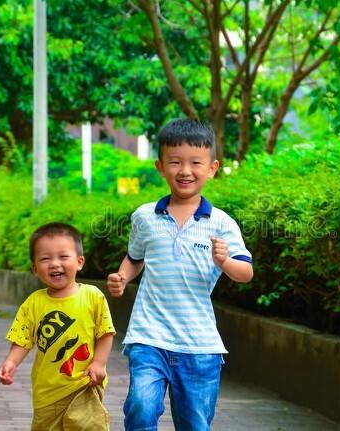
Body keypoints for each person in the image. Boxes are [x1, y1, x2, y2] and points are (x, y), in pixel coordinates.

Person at [107, 118, 254, 430]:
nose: (185, 171)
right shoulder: (145, 216)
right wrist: (122, 277)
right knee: (140, 407)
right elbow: (135, 258)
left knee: (195, 425)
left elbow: (245, 272)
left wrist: (225, 261)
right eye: (175, 162)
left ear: (212, 168)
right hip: (148, 336)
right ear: (161, 167)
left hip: (199, 346)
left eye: (195, 163)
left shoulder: (222, 223)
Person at [0, 222, 116, 431]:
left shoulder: (92, 296)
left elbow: (105, 332)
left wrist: (99, 363)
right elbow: (23, 339)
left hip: (84, 383)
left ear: (79, 262)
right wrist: (11, 362)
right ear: (35, 269)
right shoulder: (33, 303)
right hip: (47, 392)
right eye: (45, 259)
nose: (54, 264)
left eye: (63, 256)